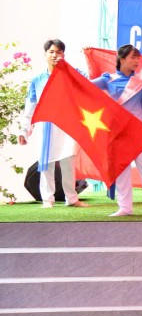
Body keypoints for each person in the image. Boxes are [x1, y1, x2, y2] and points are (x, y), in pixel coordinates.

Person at [91, 44, 142, 217]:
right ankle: (125, 207)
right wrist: (66, 72)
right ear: (122, 59)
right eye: (133, 57)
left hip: (139, 130)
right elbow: (84, 86)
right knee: (122, 170)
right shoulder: (108, 79)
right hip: (118, 132)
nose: (137, 61)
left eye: (138, 58)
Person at [18, 39, 88, 209]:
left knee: (68, 162)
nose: (55, 55)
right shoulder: (38, 80)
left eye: (58, 52)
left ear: (64, 55)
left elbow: (88, 85)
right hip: (46, 126)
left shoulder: (72, 75)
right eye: (51, 52)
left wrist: (86, 58)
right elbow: (30, 107)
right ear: (45, 55)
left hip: (67, 125)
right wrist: (24, 130)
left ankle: (72, 198)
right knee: (46, 163)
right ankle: (47, 199)